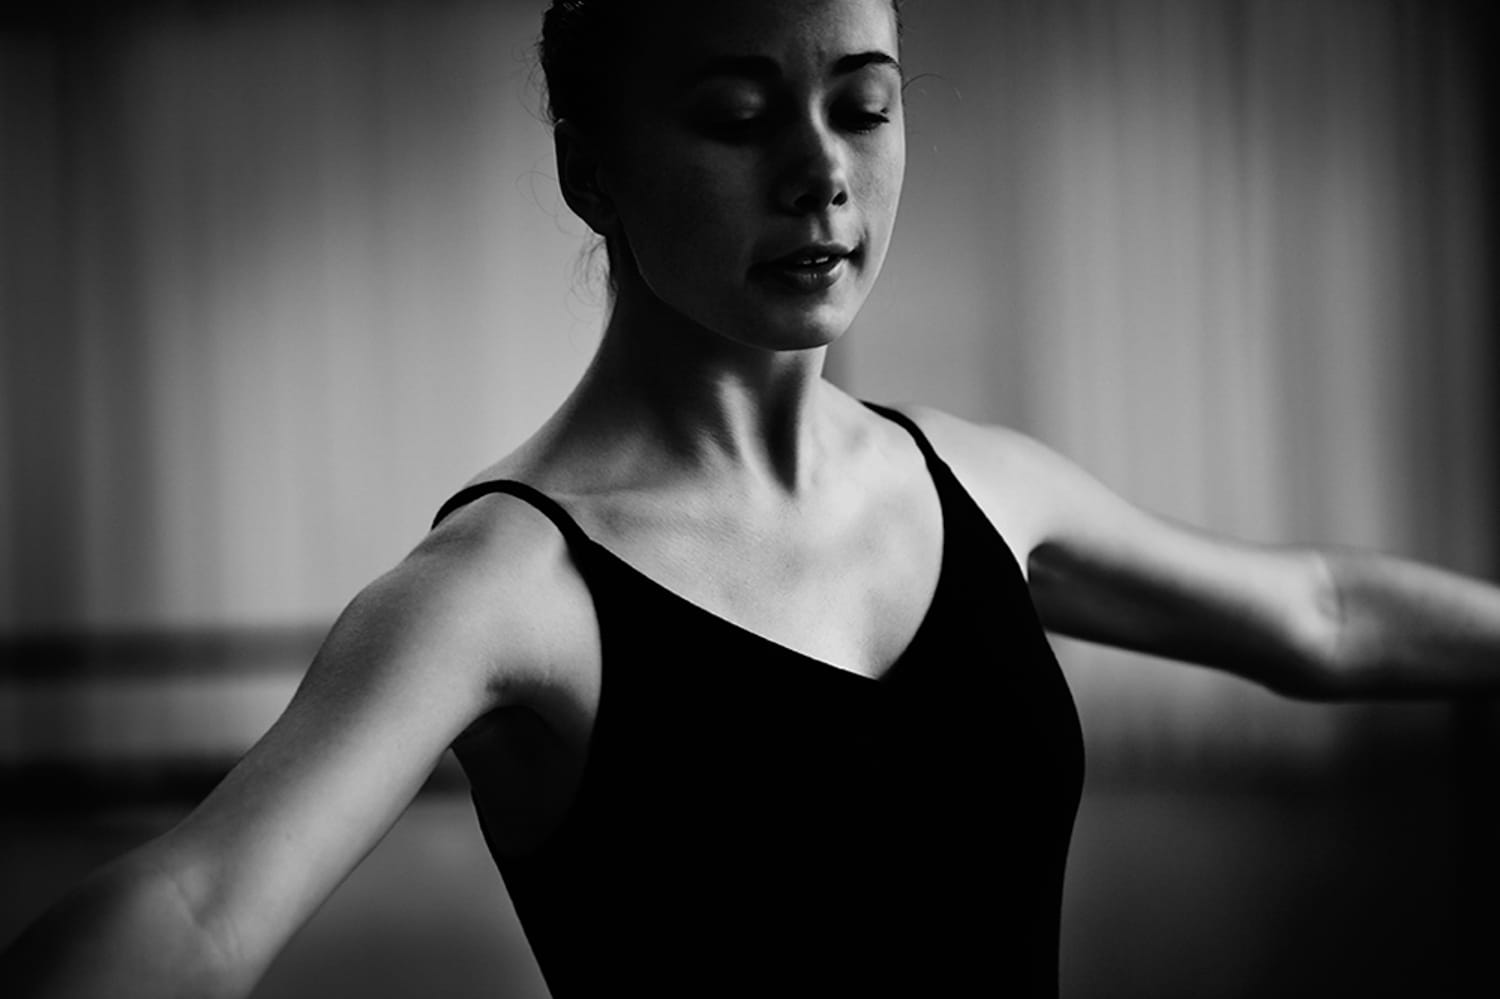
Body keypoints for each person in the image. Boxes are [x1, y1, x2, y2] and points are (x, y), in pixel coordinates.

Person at [3, 0, 1498, 996]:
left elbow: (1324, 612)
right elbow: (197, 911)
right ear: (592, 169)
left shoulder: (976, 481)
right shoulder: (500, 592)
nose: (821, 178)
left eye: (864, 106)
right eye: (736, 114)